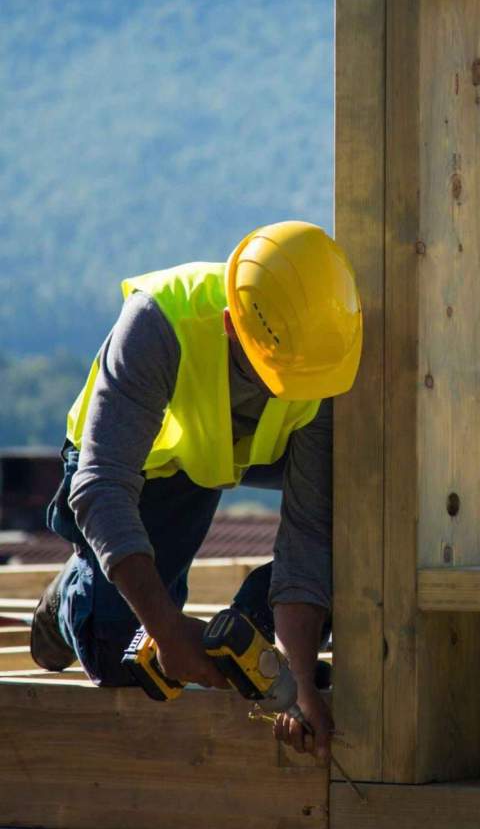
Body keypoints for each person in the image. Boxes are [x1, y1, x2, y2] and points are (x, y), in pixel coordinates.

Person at [30, 221, 362, 766]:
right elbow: (101, 486)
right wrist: (165, 628)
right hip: (135, 469)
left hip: (221, 456)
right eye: (274, 375)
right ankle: (68, 605)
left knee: (357, 546)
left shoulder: (319, 358)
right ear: (233, 326)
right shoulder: (159, 323)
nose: (293, 393)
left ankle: (251, 625)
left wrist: (294, 676)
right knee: (125, 656)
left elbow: (310, 530)